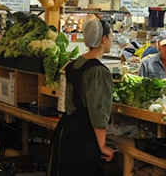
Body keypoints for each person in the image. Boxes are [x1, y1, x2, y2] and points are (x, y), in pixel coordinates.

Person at [47, 19, 115, 175]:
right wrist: (103, 146)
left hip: (66, 130)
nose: (112, 41)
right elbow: (98, 113)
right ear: (103, 39)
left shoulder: (73, 65)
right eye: (111, 37)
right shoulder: (99, 71)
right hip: (84, 137)